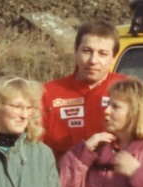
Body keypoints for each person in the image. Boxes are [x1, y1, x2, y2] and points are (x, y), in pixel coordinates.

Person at [40, 22, 121, 159]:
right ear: (76, 51)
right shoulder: (48, 93)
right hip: (62, 175)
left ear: (113, 57)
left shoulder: (128, 89)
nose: (93, 60)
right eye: (87, 51)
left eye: (103, 54)